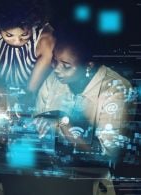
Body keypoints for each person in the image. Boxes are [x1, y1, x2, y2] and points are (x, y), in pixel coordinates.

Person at [35, 27, 136, 194]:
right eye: (54, 61)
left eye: (66, 66)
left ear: (88, 65)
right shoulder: (54, 80)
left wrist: (62, 123)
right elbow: (37, 121)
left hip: (91, 180)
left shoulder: (117, 90)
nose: (56, 69)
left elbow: (107, 155)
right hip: (51, 173)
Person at [0, 0, 55, 94]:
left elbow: (31, 90)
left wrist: (25, 97)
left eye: (24, 34)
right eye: (9, 35)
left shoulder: (46, 39)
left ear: (33, 25)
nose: (17, 41)